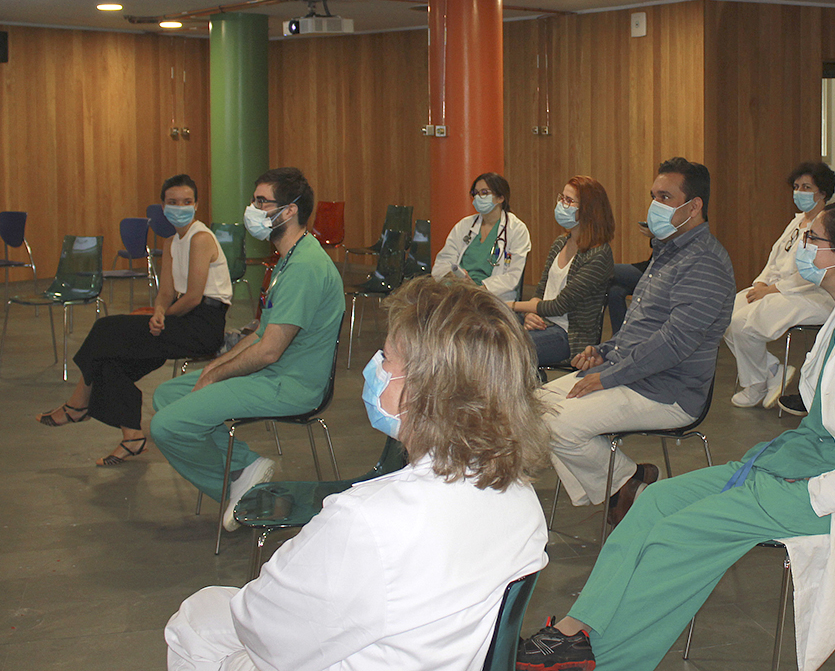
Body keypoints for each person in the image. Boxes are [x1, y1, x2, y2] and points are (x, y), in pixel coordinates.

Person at [517, 200, 835, 671]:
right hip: (798, 462)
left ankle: (609, 662)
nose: (802, 248)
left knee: (677, 537)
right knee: (654, 503)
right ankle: (575, 632)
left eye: (812, 240)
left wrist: (819, 494)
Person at [165, 276, 550, 671]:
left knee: (193, 623)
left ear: (423, 391)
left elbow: (262, 628)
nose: (375, 368)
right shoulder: (521, 498)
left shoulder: (367, 520)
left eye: (385, 358)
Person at [542, 157, 735, 527]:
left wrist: (611, 375)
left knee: (557, 425)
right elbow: (637, 331)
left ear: (693, 207)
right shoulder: (667, 251)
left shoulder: (705, 263)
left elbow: (674, 342)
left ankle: (628, 488)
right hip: (633, 374)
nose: (654, 205)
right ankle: (626, 483)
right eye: (653, 195)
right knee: (535, 408)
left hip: (668, 391)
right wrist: (604, 352)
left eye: (665, 197)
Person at [151, 167, 345, 531]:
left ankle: (247, 483)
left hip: (291, 384)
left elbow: (269, 350)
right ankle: (244, 471)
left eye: (261, 202)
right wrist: (212, 370)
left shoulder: (305, 266)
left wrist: (217, 374)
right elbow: (258, 336)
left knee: (166, 426)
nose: (252, 209)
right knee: (166, 395)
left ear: (288, 211)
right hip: (271, 372)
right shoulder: (288, 259)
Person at [35, 174, 231, 466]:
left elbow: (192, 297)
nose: (180, 207)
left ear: (196, 204)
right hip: (179, 318)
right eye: (173, 202)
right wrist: (159, 312)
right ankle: (132, 437)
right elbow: (166, 292)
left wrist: (163, 317)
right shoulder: (171, 241)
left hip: (203, 323)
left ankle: (77, 405)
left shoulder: (200, 238)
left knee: (104, 329)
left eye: (187, 202)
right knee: (108, 360)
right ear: (163, 207)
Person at [724, 162, 835, 409]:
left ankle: (756, 383)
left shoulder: (827, 226)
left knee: (742, 325)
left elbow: (811, 273)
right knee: (727, 315)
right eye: (796, 187)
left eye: (806, 187)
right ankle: (772, 371)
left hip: (812, 296)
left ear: (823, 193)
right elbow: (775, 257)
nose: (799, 192)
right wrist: (761, 282)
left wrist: (771, 290)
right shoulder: (796, 223)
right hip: (777, 289)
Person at [509, 175, 615, 366]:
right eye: (562, 198)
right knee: (486, 332)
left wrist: (512, 306)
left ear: (587, 210)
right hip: (543, 322)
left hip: (567, 335)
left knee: (507, 350)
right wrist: (529, 315)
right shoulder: (560, 242)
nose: (561, 204)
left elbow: (559, 306)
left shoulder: (599, 254)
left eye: (569, 201)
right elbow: (541, 290)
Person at [432, 172, 531, 302]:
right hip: (458, 290)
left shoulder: (516, 229)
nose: (478, 197)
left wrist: (479, 289)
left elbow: (513, 276)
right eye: (476, 193)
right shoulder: (464, 225)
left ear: (501, 198)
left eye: (484, 193)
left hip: (491, 296)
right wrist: (454, 276)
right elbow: (442, 262)